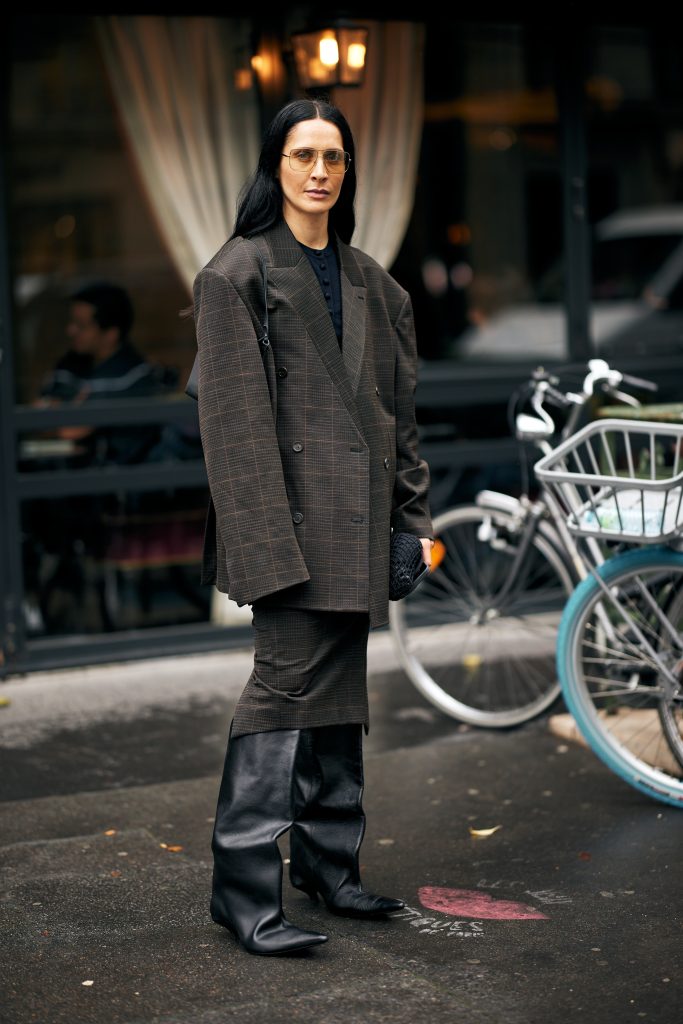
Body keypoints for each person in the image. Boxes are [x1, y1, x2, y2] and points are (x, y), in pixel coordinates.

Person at [193, 98, 433, 956]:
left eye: (333, 156)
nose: (320, 170)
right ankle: (242, 890)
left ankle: (329, 869)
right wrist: (264, 556)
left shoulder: (375, 280)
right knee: (283, 695)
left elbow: (398, 419)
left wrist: (416, 526)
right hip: (288, 531)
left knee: (337, 701)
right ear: (276, 167)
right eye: (303, 155)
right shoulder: (237, 275)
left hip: (360, 526)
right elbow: (234, 434)